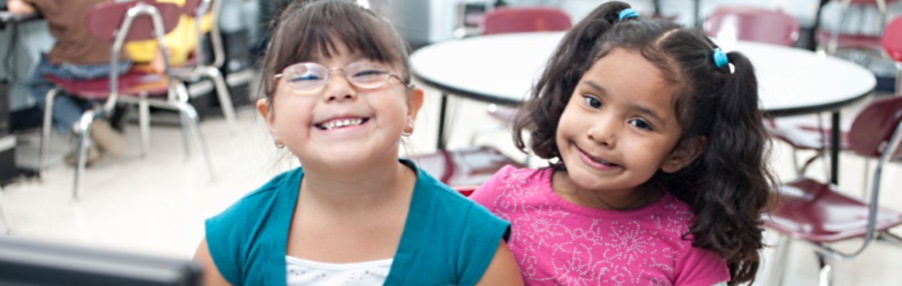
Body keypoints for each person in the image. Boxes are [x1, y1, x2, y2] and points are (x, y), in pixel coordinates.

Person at [192, 1, 523, 285]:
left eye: (366, 72)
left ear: (411, 107)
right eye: (306, 75)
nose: (338, 88)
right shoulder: (231, 242)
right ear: (271, 119)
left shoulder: (473, 245)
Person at [469, 2, 776, 285]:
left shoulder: (691, 246)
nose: (602, 133)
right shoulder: (502, 197)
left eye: (640, 123)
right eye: (592, 101)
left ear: (682, 151)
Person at [8, 0, 127, 165]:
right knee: (68, 83)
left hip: (82, 64)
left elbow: (15, 7)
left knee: (39, 82)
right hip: (118, 60)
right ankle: (95, 125)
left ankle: (85, 132)